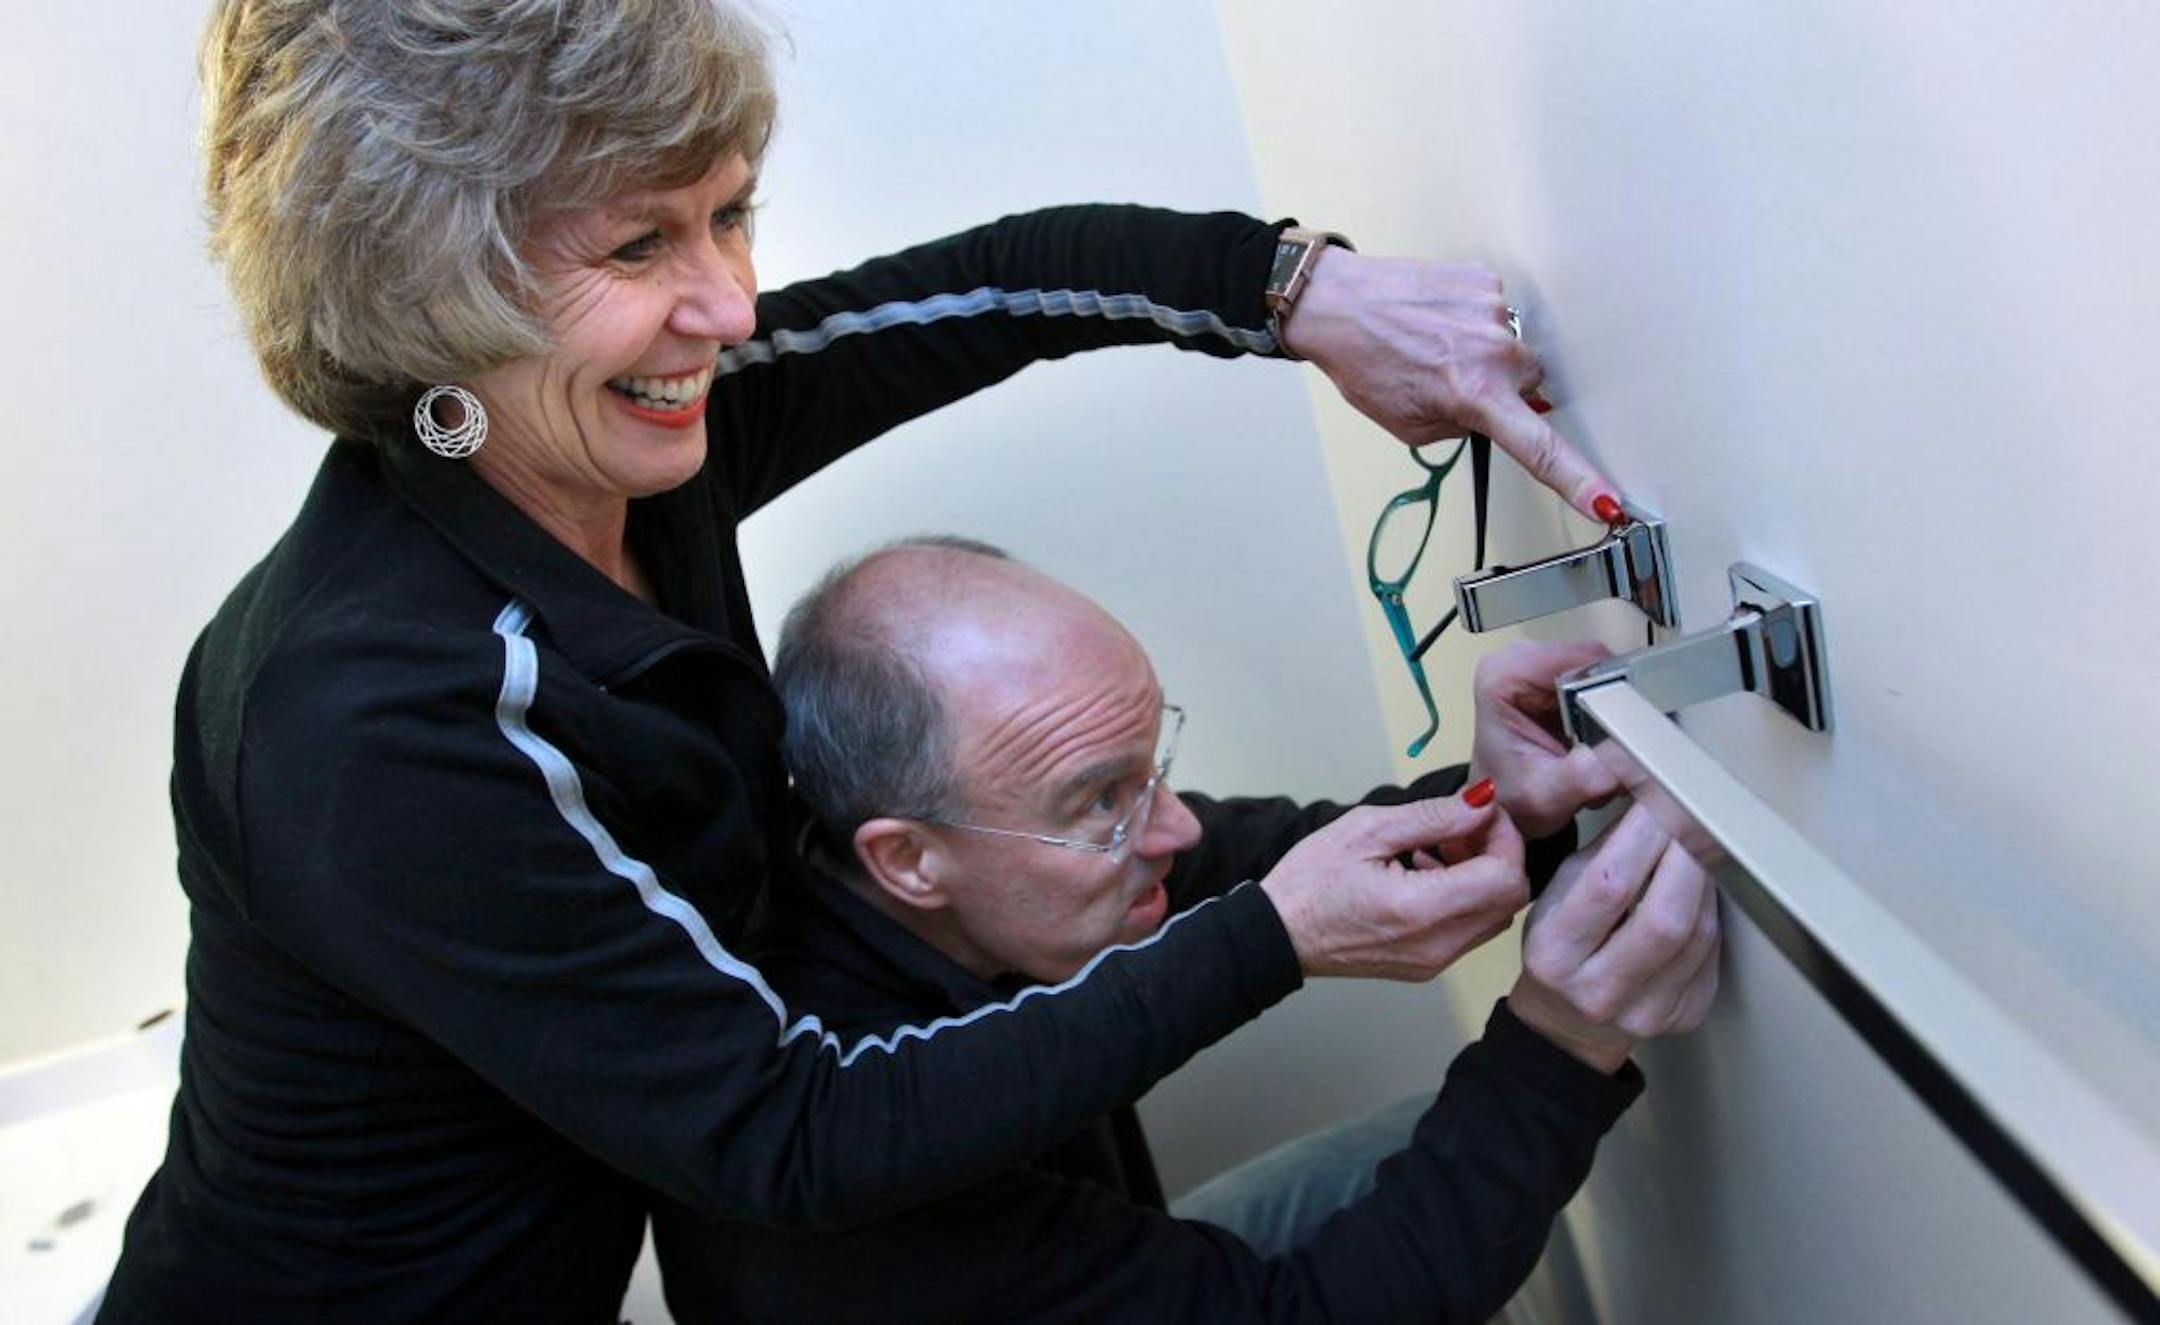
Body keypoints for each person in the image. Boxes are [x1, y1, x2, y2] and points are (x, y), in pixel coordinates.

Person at [105, 3, 1633, 1320]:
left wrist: (1303, 295)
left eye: (730, 212)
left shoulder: (625, 432)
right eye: (640, 243)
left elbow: (1003, 286)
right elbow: (796, 1133)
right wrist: (1282, 935)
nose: (726, 304)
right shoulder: (382, 717)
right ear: (430, 289)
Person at [647, 538, 1719, 1323]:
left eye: (1150, 760)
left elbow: (1289, 863)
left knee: (1455, 1144)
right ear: (907, 856)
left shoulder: (935, 874)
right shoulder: (859, 1219)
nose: (1178, 823)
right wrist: (1561, 1045)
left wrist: (1513, 803)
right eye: (1102, 798)